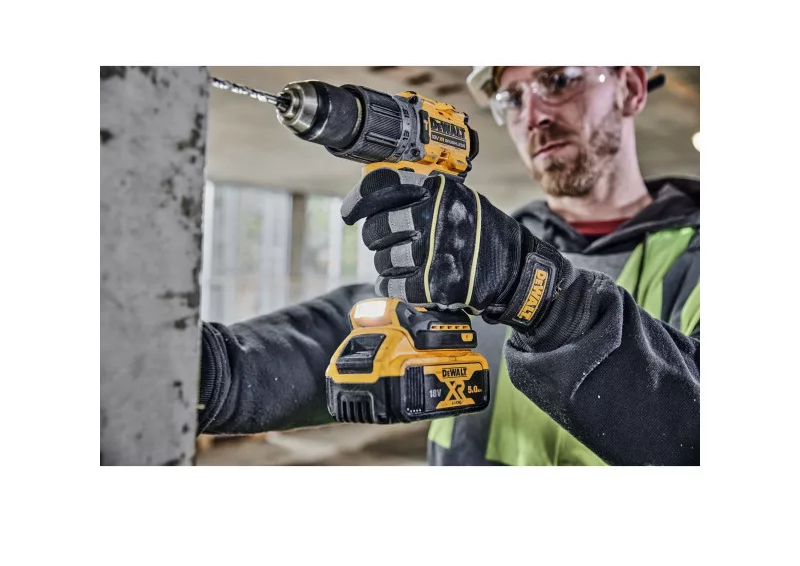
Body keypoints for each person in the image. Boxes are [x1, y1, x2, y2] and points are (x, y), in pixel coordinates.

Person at [197, 66, 700, 466]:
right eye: (511, 98)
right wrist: (217, 371)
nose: (533, 114)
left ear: (631, 87)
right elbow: (366, 332)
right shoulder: (484, 241)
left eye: (557, 79)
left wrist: (532, 290)